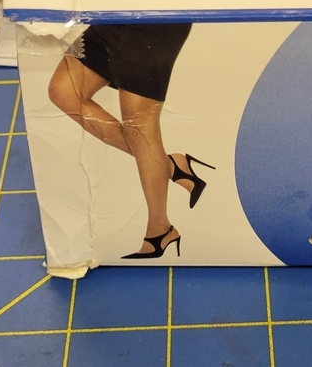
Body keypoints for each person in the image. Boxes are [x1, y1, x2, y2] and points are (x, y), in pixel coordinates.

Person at [47, 23, 214, 259]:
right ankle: (170, 166)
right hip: (113, 16)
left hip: (153, 23)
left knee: (139, 126)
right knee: (64, 92)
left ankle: (160, 229)